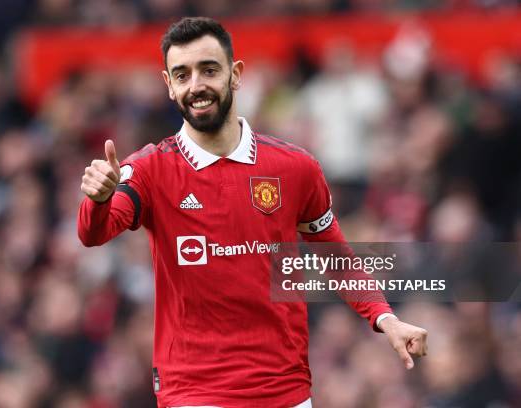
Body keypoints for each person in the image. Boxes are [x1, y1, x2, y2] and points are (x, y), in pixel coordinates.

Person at [77, 17, 428, 408]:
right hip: (195, 393)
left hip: (285, 391)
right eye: (182, 74)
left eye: (209, 70)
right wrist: (99, 198)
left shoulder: (295, 167)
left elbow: (336, 255)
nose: (197, 85)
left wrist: (385, 318)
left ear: (235, 74)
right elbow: (95, 232)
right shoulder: (148, 169)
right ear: (169, 86)